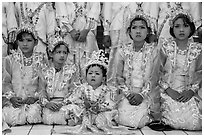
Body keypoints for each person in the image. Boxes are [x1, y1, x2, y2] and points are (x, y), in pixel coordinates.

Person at [55, 50, 135, 135]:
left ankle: (97, 122)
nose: (93, 75)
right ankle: (76, 120)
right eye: (90, 73)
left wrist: (99, 107)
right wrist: (80, 104)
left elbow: (111, 103)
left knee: (105, 117)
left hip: (100, 113)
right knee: (72, 109)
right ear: (86, 76)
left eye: (97, 73)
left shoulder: (107, 90)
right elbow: (72, 98)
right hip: (85, 112)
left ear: (103, 78)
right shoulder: (82, 88)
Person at [108, 7, 160, 129]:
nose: (138, 31)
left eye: (142, 27)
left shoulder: (153, 51)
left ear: (148, 31)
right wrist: (128, 94)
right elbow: (118, 77)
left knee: (140, 120)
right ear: (129, 31)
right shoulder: (122, 51)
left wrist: (142, 95)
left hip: (147, 94)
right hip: (127, 94)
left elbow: (155, 77)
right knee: (123, 118)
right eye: (134, 27)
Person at [153, 6, 202, 131]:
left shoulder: (198, 49)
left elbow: (200, 73)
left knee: (194, 122)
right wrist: (169, 90)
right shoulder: (165, 47)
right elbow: (156, 73)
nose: (181, 30)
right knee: (175, 120)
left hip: (190, 92)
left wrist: (191, 91)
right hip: (168, 91)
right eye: (177, 26)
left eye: (185, 26)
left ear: (191, 28)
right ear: (171, 29)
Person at [2, 17, 47, 126]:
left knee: (33, 115)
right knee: (9, 116)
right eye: (21, 40)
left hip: (33, 102)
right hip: (15, 101)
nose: (25, 44)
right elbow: (6, 82)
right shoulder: (10, 59)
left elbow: (43, 83)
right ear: (17, 42)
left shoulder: (40, 59)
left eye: (29, 40)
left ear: (36, 42)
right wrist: (11, 97)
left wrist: (35, 97)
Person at [39, 31, 81, 125]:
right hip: (50, 104)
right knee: (47, 116)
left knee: (74, 110)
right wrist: (47, 103)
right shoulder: (45, 71)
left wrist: (64, 103)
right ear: (51, 54)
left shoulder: (72, 70)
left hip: (66, 104)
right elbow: (41, 91)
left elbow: (75, 91)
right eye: (58, 52)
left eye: (65, 53)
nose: (62, 55)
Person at [55, 2, 100, 82]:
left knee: (87, 61)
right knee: (69, 63)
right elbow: (60, 9)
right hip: (69, 34)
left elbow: (95, 8)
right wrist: (70, 30)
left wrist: (86, 29)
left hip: (87, 34)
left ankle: (88, 90)